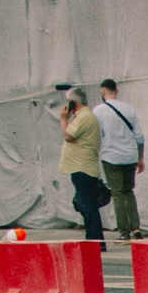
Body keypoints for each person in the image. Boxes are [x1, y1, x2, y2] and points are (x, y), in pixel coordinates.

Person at [93, 79, 144, 239]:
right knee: (129, 191)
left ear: (102, 91)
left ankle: (124, 232)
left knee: (118, 193)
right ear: (117, 90)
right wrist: (140, 156)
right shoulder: (128, 109)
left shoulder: (99, 111)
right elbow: (139, 136)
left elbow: (98, 136)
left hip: (111, 156)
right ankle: (136, 228)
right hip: (130, 155)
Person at [56, 89, 106, 243]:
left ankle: (94, 239)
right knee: (84, 203)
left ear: (73, 102)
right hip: (81, 166)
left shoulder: (84, 117)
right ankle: (93, 238)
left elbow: (68, 135)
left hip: (82, 166)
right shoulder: (84, 117)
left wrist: (63, 119)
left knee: (87, 205)